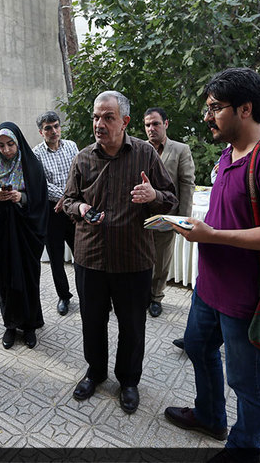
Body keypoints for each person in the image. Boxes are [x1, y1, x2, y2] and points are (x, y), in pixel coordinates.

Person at [164, 68, 260, 458]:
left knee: (246, 380)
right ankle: (210, 416)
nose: (207, 116)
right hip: (210, 286)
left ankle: (244, 448)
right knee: (198, 347)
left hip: (249, 297)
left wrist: (213, 236)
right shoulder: (229, 154)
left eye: (215, 108)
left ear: (245, 109)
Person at [63, 91, 177, 415]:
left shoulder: (145, 154)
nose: (99, 124)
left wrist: (153, 195)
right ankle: (95, 372)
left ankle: (128, 381)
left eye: (108, 117)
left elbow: (170, 199)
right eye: (96, 117)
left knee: (132, 325)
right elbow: (68, 199)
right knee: (92, 321)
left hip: (133, 259)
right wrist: (80, 207)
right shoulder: (83, 158)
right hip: (91, 257)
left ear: (125, 121)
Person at [0, 122, 48, 349]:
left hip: (26, 233)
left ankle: (30, 326)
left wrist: (21, 198)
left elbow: (40, 200)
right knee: (4, 278)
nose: (6, 150)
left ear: (18, 142)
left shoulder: (31, 165)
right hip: (0, 233)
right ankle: (10, 324)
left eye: (10, 144)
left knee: (28, 277)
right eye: (1, 145)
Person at [143, 107, 195, 318]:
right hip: (141, 216)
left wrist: (182, 220)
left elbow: (187, 184)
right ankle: (142, 294)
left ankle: (156, 297)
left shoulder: (180, 149)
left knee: (162, 260)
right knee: (141, 258)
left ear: (166, 124)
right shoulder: (139, 148)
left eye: (155, 123)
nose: (151, 128)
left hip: (167, 215)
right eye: (147, 125)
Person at [32, 110, 79, 316]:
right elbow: (41, 184)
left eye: (56, 126)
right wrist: (65, 197)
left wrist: (68, 199)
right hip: (52, 213)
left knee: (82, 255)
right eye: (48, 128)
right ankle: (64, 296)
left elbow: (78, 174)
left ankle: (87, 293)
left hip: (73, 210)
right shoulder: (36, 154)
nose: (53, 131)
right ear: (41, 132)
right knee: (56, 259)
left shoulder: (71, 146)